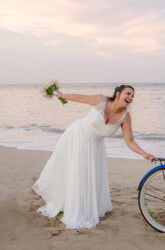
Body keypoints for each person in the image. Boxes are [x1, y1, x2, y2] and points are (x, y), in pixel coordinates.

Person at [32, 85, 155, 229]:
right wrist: (60, 95)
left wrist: (143, 153)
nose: (130, 98)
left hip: (95, 147)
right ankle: (66, 202)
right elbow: (79, 98)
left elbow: (130, 141)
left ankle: (80, 205)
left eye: (133, 96)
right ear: (118, 94)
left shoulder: (125, 116)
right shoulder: (101, 100)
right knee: (75, 173)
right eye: (128, 94)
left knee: (86, 177)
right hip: (77, 136)